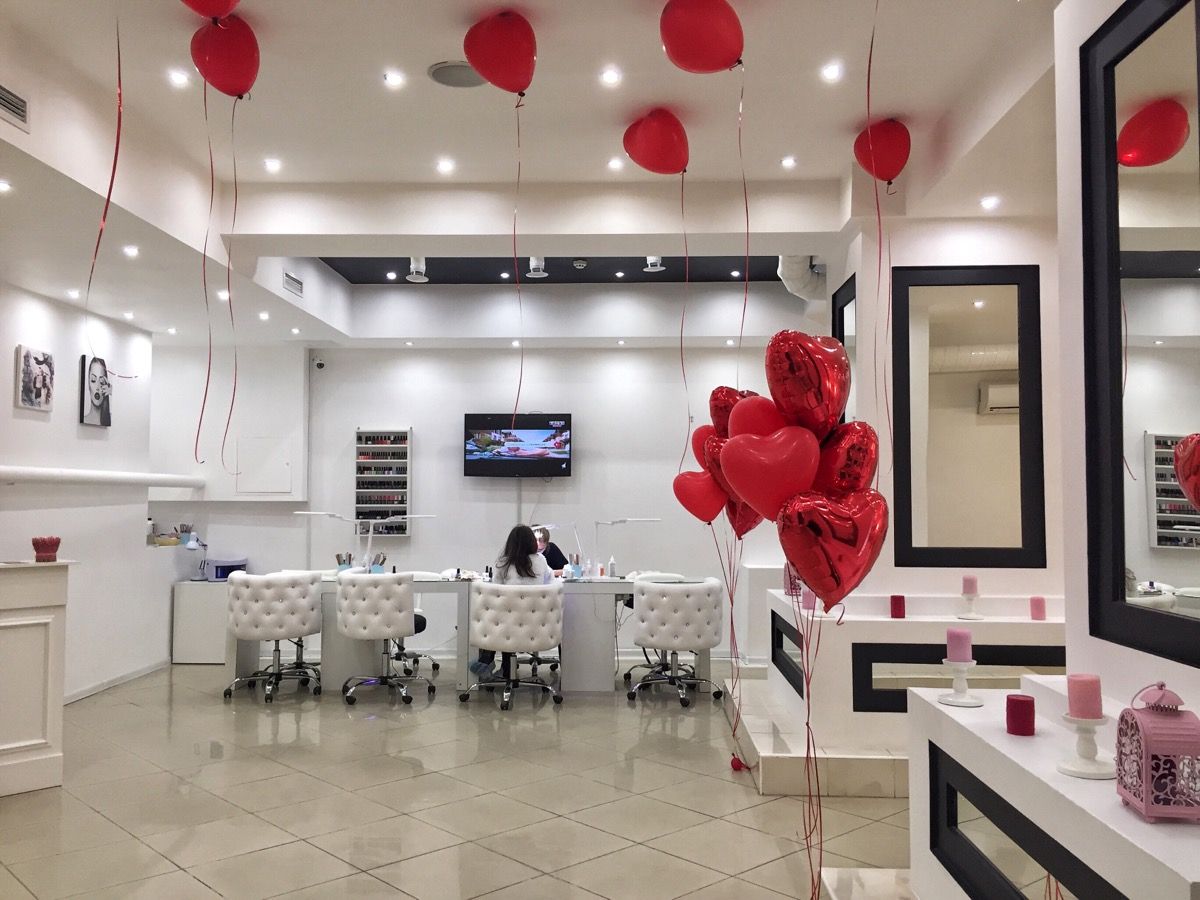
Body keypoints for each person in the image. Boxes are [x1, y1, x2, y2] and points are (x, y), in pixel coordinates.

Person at [469, 524, 552, 679]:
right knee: (506, 618)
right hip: (536, 623)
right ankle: (503, 669)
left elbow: (495, 591)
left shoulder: (505, 563)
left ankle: (487, 661)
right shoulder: (541, 561)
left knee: (497, 616)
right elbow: (549, 584)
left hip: (508, 623)